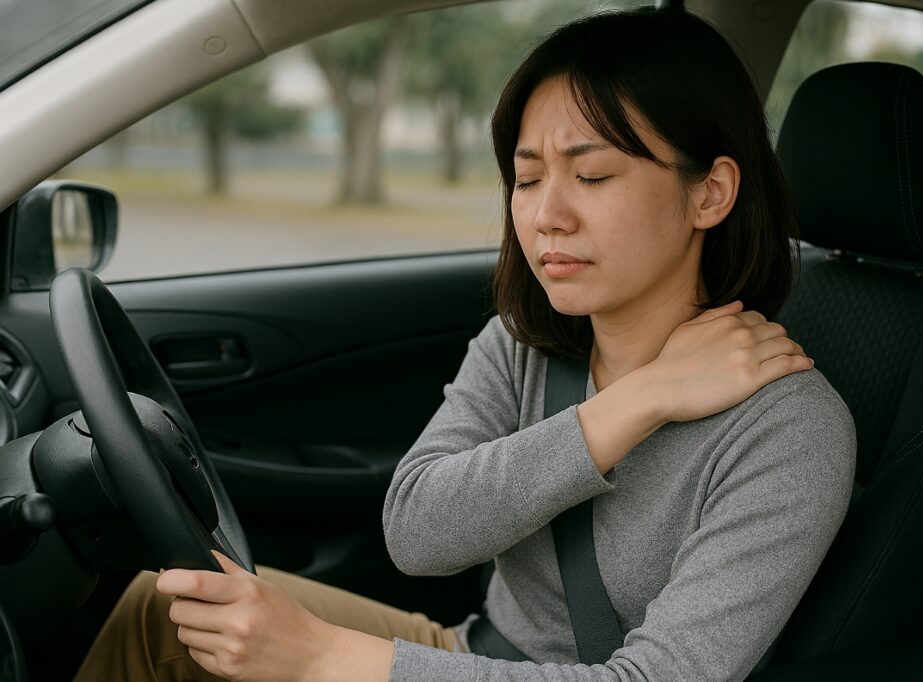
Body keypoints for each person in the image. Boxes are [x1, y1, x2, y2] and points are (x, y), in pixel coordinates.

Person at [75, 6, 855, 681]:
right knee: (163, 611)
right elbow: (416, 532)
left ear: (709, 193)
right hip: (464, 652)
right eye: (526, 178)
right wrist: (639, 401)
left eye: (592, 176)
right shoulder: (523, 345)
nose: (547, 214)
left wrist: (321, 661)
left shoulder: (791, 432)